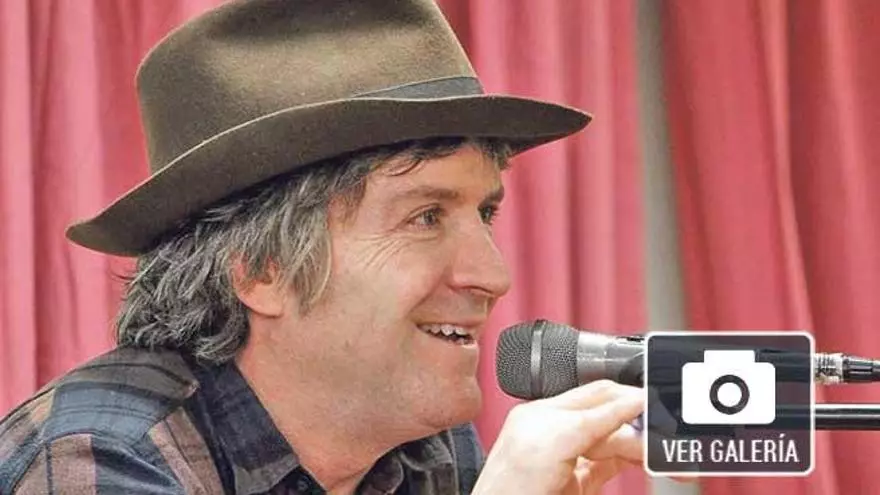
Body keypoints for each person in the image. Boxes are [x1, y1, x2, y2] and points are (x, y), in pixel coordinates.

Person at [0, 0, 644, 493]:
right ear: (262, 270)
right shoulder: (102, 454)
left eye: (485, 213)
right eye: (425, 217)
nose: (493, 276)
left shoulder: (427, 449)